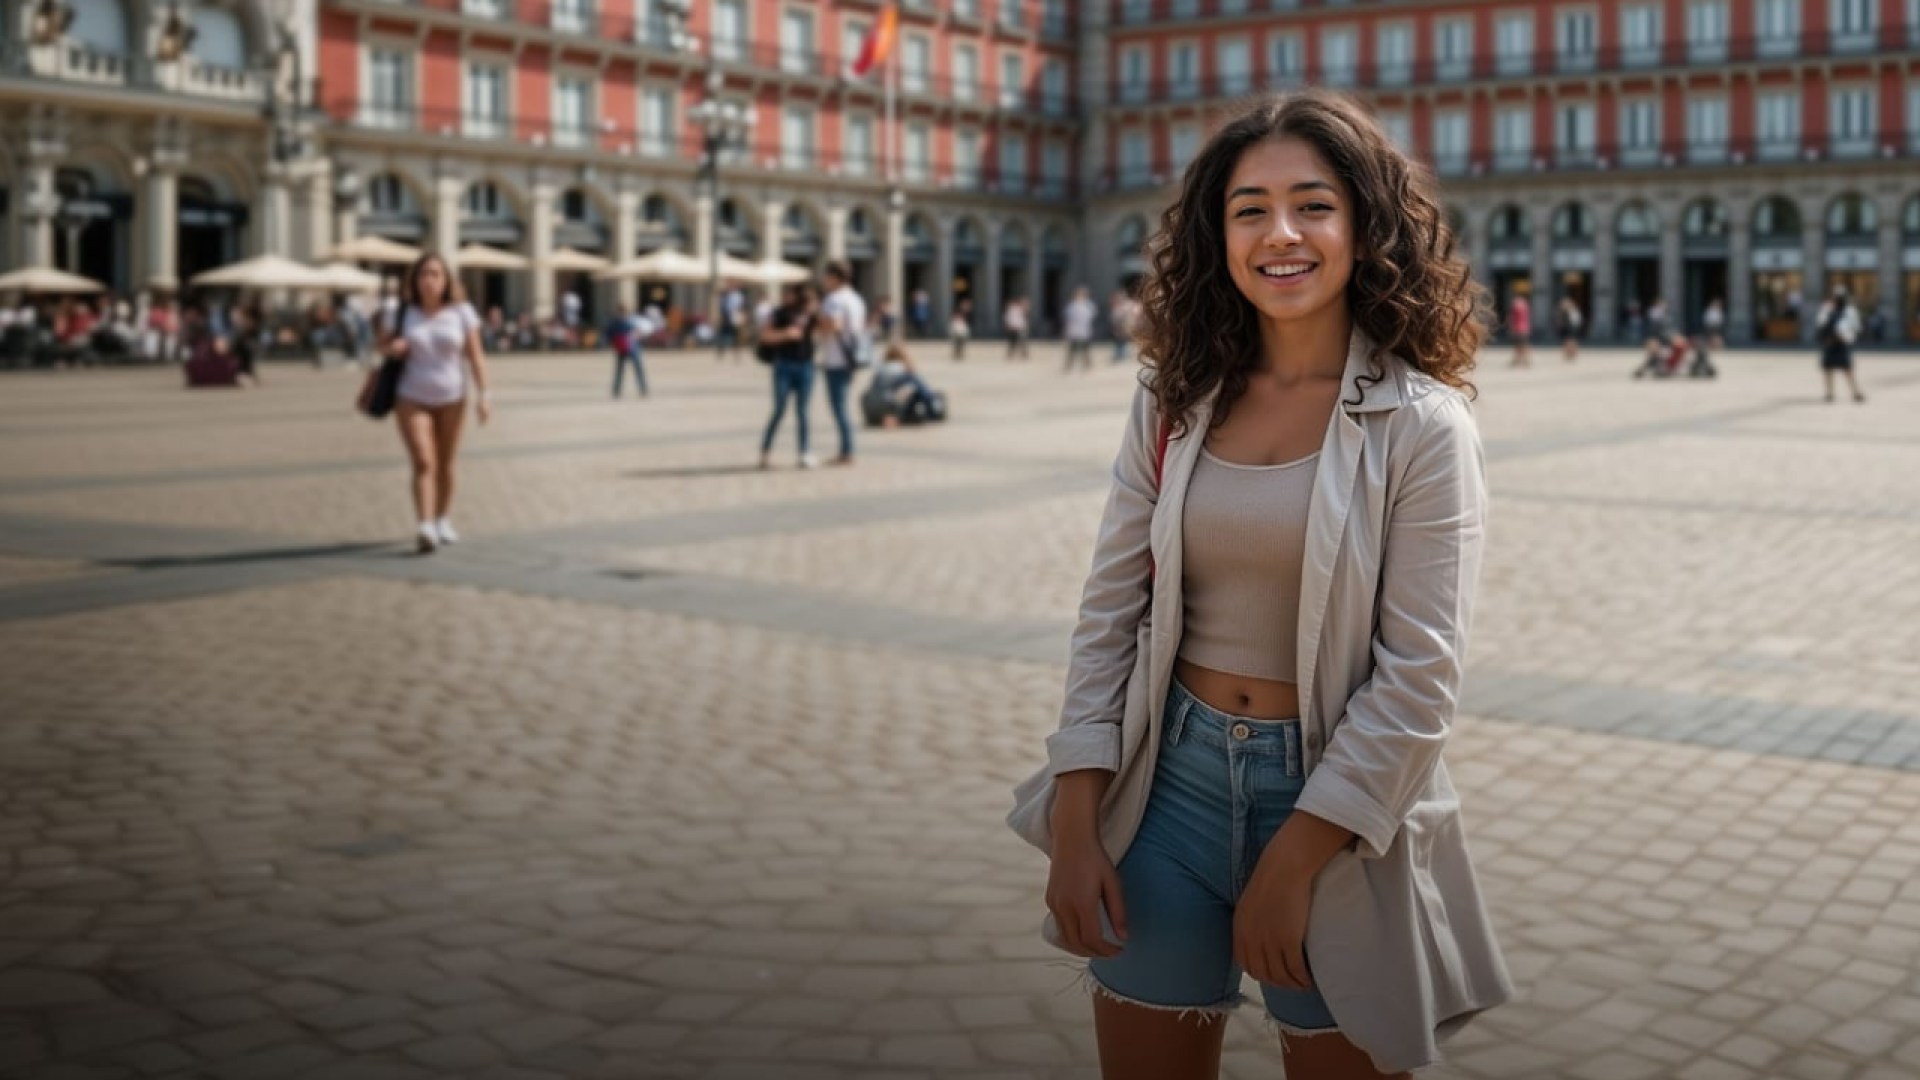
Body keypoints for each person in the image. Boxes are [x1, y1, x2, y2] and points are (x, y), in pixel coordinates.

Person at [1007, 89, 1511, 1080]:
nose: (1282, 232)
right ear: (1219, 235)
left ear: (1365, 228)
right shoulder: (1173, 397)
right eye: (1250, 209)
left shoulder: (1422, 425)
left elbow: (1419, 682)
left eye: (1313, 204)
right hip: (1168, 788)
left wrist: (1293, 859)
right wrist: (1075, 822)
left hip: (1337, 810)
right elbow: (1112, 610)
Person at [364, 252, 493, 553]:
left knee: (446, 463)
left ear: (447, 279)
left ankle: (442, 518)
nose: (430, 280)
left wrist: (485, 395)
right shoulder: (400, 311)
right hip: (411, 396)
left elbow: (476, 355)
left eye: (436, 274)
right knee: (424, 460)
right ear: (415, 279)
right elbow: (379, 344)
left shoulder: (462, 312)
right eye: (424, 274)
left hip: (453, 398)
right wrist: (391, 347)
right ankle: (425, 525)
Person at [758, 282, 819, 469]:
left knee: (803, 411)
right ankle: (765, 451)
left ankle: (804, 452)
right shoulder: (779, 313)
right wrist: (785, 334)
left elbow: (824, 327)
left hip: (806, 365)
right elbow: (765, 336)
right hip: (784, 365)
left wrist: (814, 306)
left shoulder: (810, 314)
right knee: (779, 409)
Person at [816, 261, 868, 467]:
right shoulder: (856, 298)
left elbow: (834, 324)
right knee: (842, 404)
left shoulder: (834, 299)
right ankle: (847, 449)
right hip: (852, 356)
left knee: (839, 407)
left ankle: (847, 451)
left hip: (836, 358)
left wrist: (817, 322)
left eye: (827, 276)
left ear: (835, 277)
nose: (825, 280)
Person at [1814, 287, 1866, 404]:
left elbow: (1855, 326)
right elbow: (1820, 323)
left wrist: (1848, 336)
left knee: (1847, 369)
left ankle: (1854, 392)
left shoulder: (1849, 310)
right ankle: (1830, 393)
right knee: (1829, 369)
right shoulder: (1827, 308)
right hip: (1831, 342)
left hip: (1841, 343)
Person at [606, 302, 652, 399]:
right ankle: (643, 390)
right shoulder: (630, 321)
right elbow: (639, 333)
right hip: (632, 348)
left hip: (622, 349)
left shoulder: (614, 322)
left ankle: (616, 391)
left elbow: (609, 335)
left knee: (620, 371)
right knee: (637, 370)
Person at [1063, 286, 1097, 371]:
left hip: (1084, 330)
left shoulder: (1088, 305)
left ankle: (1087, 365)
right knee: (1072, 349)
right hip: (1073, 331)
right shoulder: (1072, 305)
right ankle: (1069, 365)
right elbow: (1068, 318)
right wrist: (1067, 329)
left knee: (1085, 349)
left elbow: (1092, 317)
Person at [1109, 288, 1138, 364]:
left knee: (1124, 340)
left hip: (1125, 326)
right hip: (1119, 327)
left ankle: (1123, 354)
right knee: (1119, 340)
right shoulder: (1116, 306)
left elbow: (1134, 314)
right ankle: (1120, 353)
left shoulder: (1128, 304)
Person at [1507, 290, 1532, 367]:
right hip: (1525, 327)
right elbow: (1527, 316)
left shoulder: (1515, 303)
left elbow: (1512, 316)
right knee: (1523, 344)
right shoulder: (1525, 304)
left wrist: (1510, 326)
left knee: (1518, 344)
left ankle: (1519, 360)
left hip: (1517, 327)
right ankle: (1523, 359)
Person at [1554, 296, 1582, 362]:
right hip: (1566, 328)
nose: (1564, 305)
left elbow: (1576, 320)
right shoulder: (1563, 311)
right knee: (1567, 342)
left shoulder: (1572, 311)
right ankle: (1568, 354)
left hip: (1571, 328)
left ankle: (1571, 354)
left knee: (1570, 341)